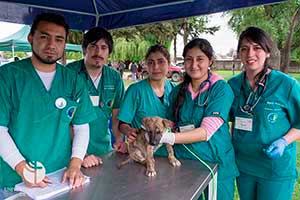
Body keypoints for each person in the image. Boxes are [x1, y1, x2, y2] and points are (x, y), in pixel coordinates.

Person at [0, 13, 96, 190]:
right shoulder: (7, 77)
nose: (51, 45)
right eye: (44, 37)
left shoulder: (74, 81)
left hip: (60, 177)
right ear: (30, 38)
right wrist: (21, 167)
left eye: (59, 39)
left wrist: (75, 164)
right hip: (14, 179)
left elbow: (81, 127)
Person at [156, 38, 239, 200]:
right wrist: (150, 134)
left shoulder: (221, 89)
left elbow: (205, 132)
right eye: (189, 59)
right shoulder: (178, 91)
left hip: (215, 163)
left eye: (200, 59)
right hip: (184, 163)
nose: (194, 65)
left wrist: (169, 137)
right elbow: (170, 124)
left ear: (210, 61)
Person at [228, 27, 300, 200]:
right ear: (239, 54)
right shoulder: (232, 85)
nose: (250, 53)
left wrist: (284, 141)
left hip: (275, 168)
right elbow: (223, 121)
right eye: (244, 49)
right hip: (244, 165)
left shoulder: (286, 85)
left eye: (256, 48)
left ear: (267, 52)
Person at [66, 27, 125, 168]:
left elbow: (116, 114)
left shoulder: (114, 77)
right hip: (71, 153)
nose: (98, 52)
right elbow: (64, 120)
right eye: (93, 47)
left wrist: (118, 139)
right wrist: (81, 155)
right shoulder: (69, 73)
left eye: (103, 48)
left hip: (103, 150)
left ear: (109, 53)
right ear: (85, 49)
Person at [118, 44, 174, 143]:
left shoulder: (175, 90)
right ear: (146, 66)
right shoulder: (135, 90)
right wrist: (129, 131)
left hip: (170, 150)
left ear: (169, 64)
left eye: (161, 62)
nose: (155, 67)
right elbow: (122, 124)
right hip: (143, 151)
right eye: (151, 62)